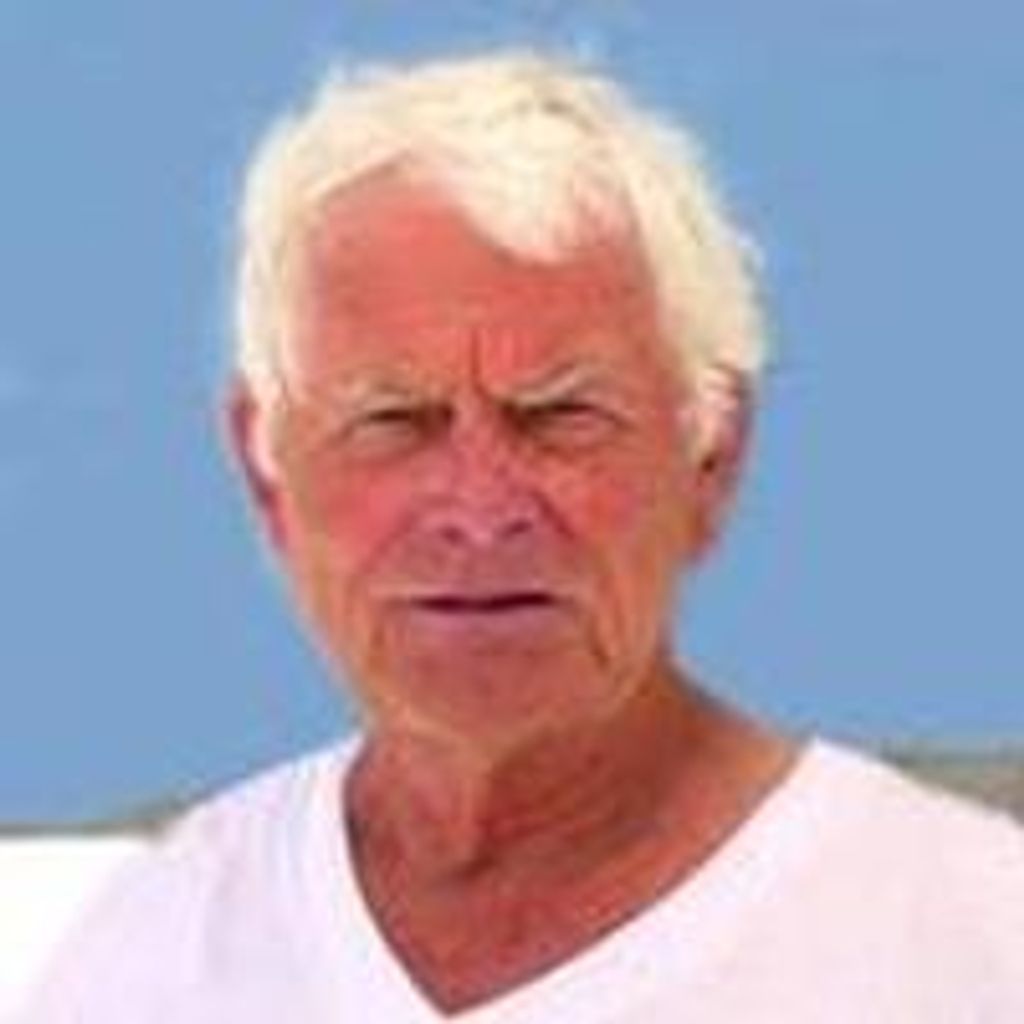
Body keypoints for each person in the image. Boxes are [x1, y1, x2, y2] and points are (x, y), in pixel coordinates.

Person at [16, 50, 1024, 1023]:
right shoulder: (138, 949)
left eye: (560, 416)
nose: (479, 507)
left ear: (711, 454)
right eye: (393, 421)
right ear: (264, 464)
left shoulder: (972, 937)